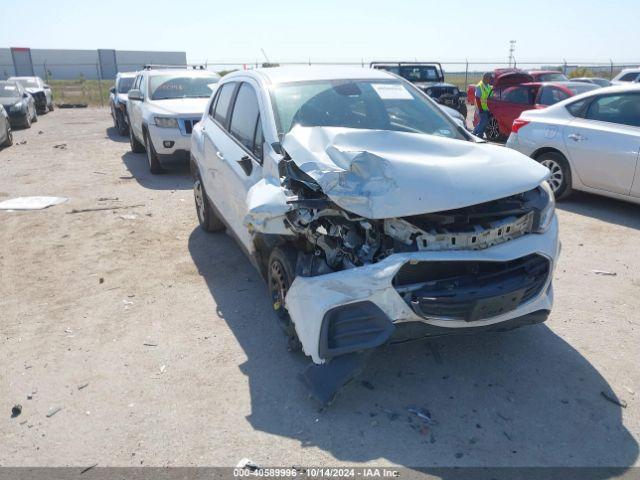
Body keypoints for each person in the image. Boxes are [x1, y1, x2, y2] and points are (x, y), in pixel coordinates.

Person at [473, 72, 493, 138]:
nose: (491, 80)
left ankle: (476, 133)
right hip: (481, 108)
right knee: (483, 122)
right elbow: (477, 98)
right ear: (486, 78)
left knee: (483, 122)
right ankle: (477, 135)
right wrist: (480, 109)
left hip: (487, 108)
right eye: (490, 78)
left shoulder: (488, 86)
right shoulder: (479, 86)